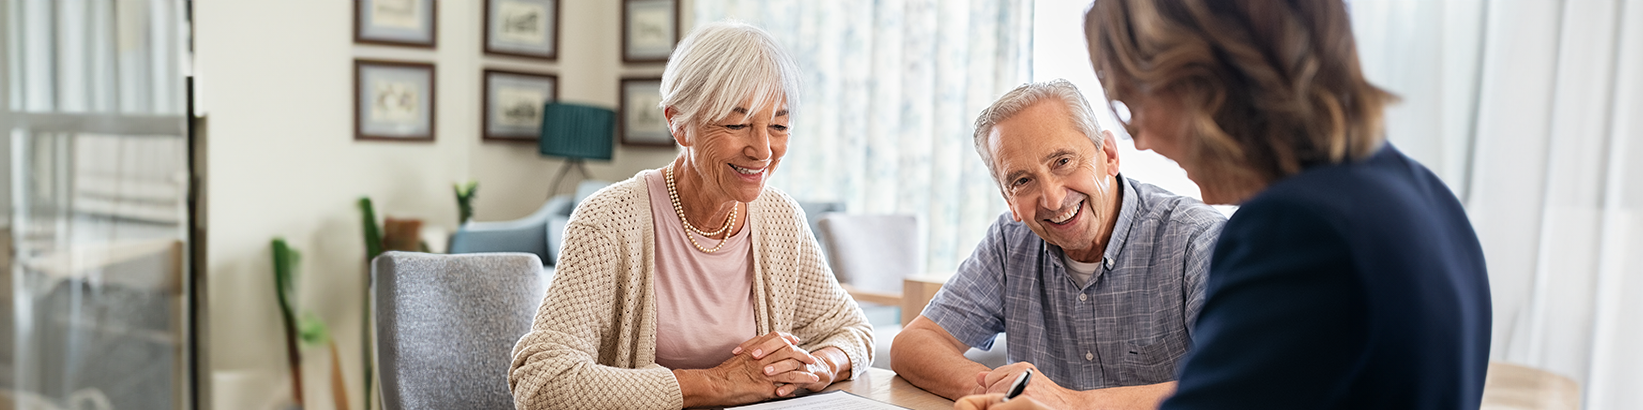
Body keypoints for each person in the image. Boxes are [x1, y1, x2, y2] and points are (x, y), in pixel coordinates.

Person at [958, 0, 1492, 409]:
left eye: (1134, 103)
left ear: (1205, 82)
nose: (1140, 139)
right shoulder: (1418, 192)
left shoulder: (1296, 230)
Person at [508, 21, 872, 410]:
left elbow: (852, 331)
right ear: (679, 123)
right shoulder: (607, 221)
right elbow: (544, 382)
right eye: (738, 124)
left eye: (779, 125)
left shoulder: (781, 217)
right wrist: (717, 384)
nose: (763, 150)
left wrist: (819, 367)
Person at [891, 79, 1225, 409]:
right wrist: (1001, 392)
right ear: (1010, 200)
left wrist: (1072, 404)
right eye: (1022, 181)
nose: (1052, 199)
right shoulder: (1011, 241)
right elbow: (913, 344)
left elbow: (1243, 383)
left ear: (1108, 155)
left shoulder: (1198, 239)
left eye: (1062, 161)